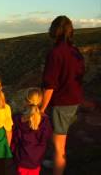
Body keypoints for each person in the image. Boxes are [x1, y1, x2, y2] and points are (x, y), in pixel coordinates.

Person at [40, 15, 85, 175]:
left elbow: (50, 86)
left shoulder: (55, 53)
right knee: (60, 136)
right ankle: (55, 162)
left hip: (62, 103)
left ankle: (57, 167)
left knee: (59, 146)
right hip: (75, 99)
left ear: (54, 30)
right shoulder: (75, 52)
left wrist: (41, 109)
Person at [11, 88, 52, 175]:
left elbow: (13, 138)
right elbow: (45, 139)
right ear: (40, 101)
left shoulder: (17, 119)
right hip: (36, 160)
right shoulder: (45, 121)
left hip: (21, 158)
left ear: (25, 101)